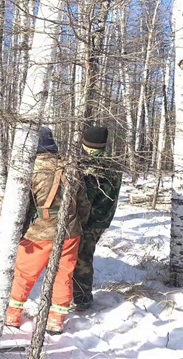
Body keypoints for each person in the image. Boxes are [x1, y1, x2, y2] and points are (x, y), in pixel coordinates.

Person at [5, 126, 90, 334]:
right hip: (69, 232)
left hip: (37, 232)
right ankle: (56, 320)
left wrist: (15, 232)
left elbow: (20, 206)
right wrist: (78, 225)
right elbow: (83, 203)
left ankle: (12, 316)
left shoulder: (29, 169)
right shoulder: (71, 167)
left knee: (24, 275)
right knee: (64, 275)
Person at [72, 126, 122, 311]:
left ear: (87, 144)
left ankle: (82, 299)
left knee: (82, 259)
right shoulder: (114, 164)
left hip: (90, 220)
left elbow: (87, 198)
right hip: (103, 218)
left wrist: (78, 220)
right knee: (84, 255)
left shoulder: (92, 168)